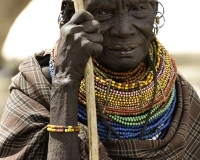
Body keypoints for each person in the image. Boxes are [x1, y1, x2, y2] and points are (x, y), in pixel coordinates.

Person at [0, 0, 200, 159]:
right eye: (103, 12)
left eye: (138, 8)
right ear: (70, 15)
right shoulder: (38, 85)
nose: (123, 30)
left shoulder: (178, 95)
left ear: (154, 10)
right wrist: (65, 82)